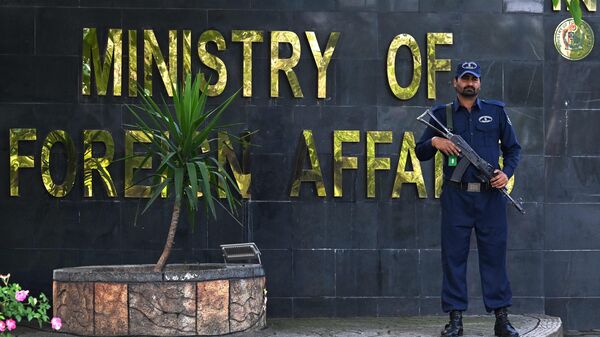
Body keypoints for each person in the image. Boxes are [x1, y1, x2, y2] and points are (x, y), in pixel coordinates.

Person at [415, 61, 521, 337]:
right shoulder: (443, 115)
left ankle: (501, 319)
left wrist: (505, 174)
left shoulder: (496, 113)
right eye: (464, 79)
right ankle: (455, 320)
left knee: (494, 257)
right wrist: (435, 142)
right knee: (453, 258)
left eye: (473, 79)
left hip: (490, 198)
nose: (469, 83)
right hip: (457, 197)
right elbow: (420, 151)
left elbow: (513, 150)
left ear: (480, 83)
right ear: (455, 82)